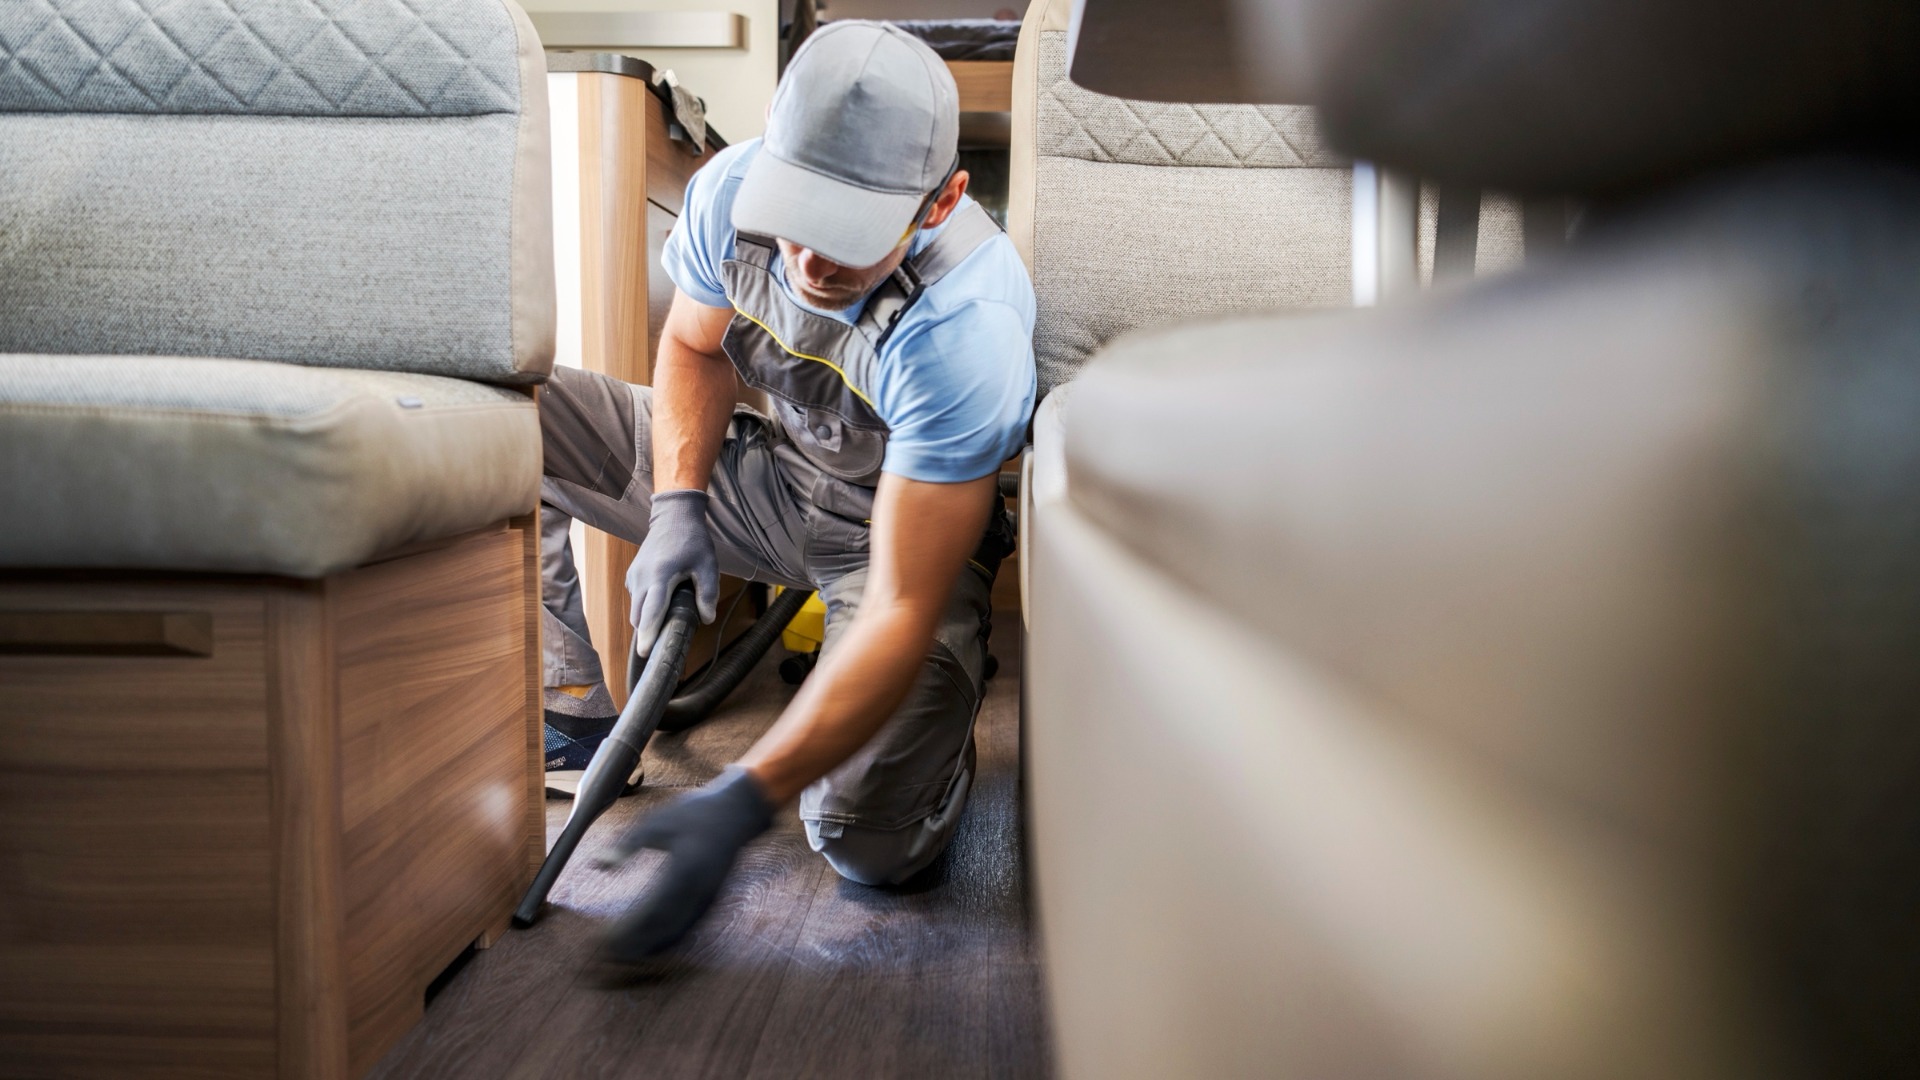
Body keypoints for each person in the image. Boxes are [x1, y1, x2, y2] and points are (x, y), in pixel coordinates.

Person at [535, 20, 1036, 964]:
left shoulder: (969, 329)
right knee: (520, 409)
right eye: (796, 214)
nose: (808, 260)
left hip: (891, 544)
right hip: (771, 480)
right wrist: (680, 503)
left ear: (941, 202)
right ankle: (571, 716)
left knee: (866, 841)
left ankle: (939, 720)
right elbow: (691, 345)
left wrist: (741, 798)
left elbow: (896, 602)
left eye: (846, 235)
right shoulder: (731, 190)